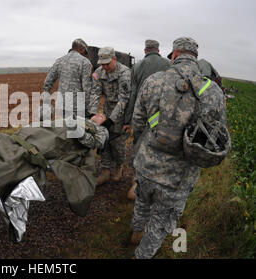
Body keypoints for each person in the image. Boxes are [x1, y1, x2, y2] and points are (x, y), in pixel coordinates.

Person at [0, 113, 110, 242]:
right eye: (98, 113)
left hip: (57, 145)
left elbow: (93, 143)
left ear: (103, 121)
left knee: (18, 157)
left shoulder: (101, 131)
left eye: (102, 115)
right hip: (43, 134)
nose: (98, 114)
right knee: (9, 142)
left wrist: (79, 130)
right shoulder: (81, 116)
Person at [130, 37, 227, 259]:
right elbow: (217, 136)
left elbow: (137, 121)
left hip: (147, 164)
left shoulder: (153, 81)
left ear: (173, 55)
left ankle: (135, 231)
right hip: (179, 178)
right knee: (161, 220)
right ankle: (142, 254)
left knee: (142, 200)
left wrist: (142, 146)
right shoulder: (212, 91)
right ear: (195, 58)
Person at [123, 40, 171, 200]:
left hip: (142, 113)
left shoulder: (137, 67)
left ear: (145, 50)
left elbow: (132, 94)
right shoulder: (169, 64)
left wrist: (127, 119)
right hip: (163, 115)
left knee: (139, 145)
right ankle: (157, 182)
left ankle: (137, 183)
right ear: (158, 49)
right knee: (159, 147)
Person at [89, 47, 132, 185]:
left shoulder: (125, 73)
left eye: (107, 63)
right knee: (103, 140)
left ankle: (119, 167)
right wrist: (93, 114)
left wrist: (111, 120)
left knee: (117, 142)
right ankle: (106, 170)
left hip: (121, 112)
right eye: (102, 64)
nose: (105, 67)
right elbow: (95, 94)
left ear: (114, 59)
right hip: (107, 109)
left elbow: (123, 100)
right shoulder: (98, 72)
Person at [43, 39, 93, 118]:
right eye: (84, 52)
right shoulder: (85, 62)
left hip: (61, 105)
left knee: (65, 128)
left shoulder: (59, 61)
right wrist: (87, 107)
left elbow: (47, 82)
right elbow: (86, 87)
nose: (84, 54)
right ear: (82, 49)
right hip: (78, 107)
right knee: (79, 129)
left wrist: (46, 101)